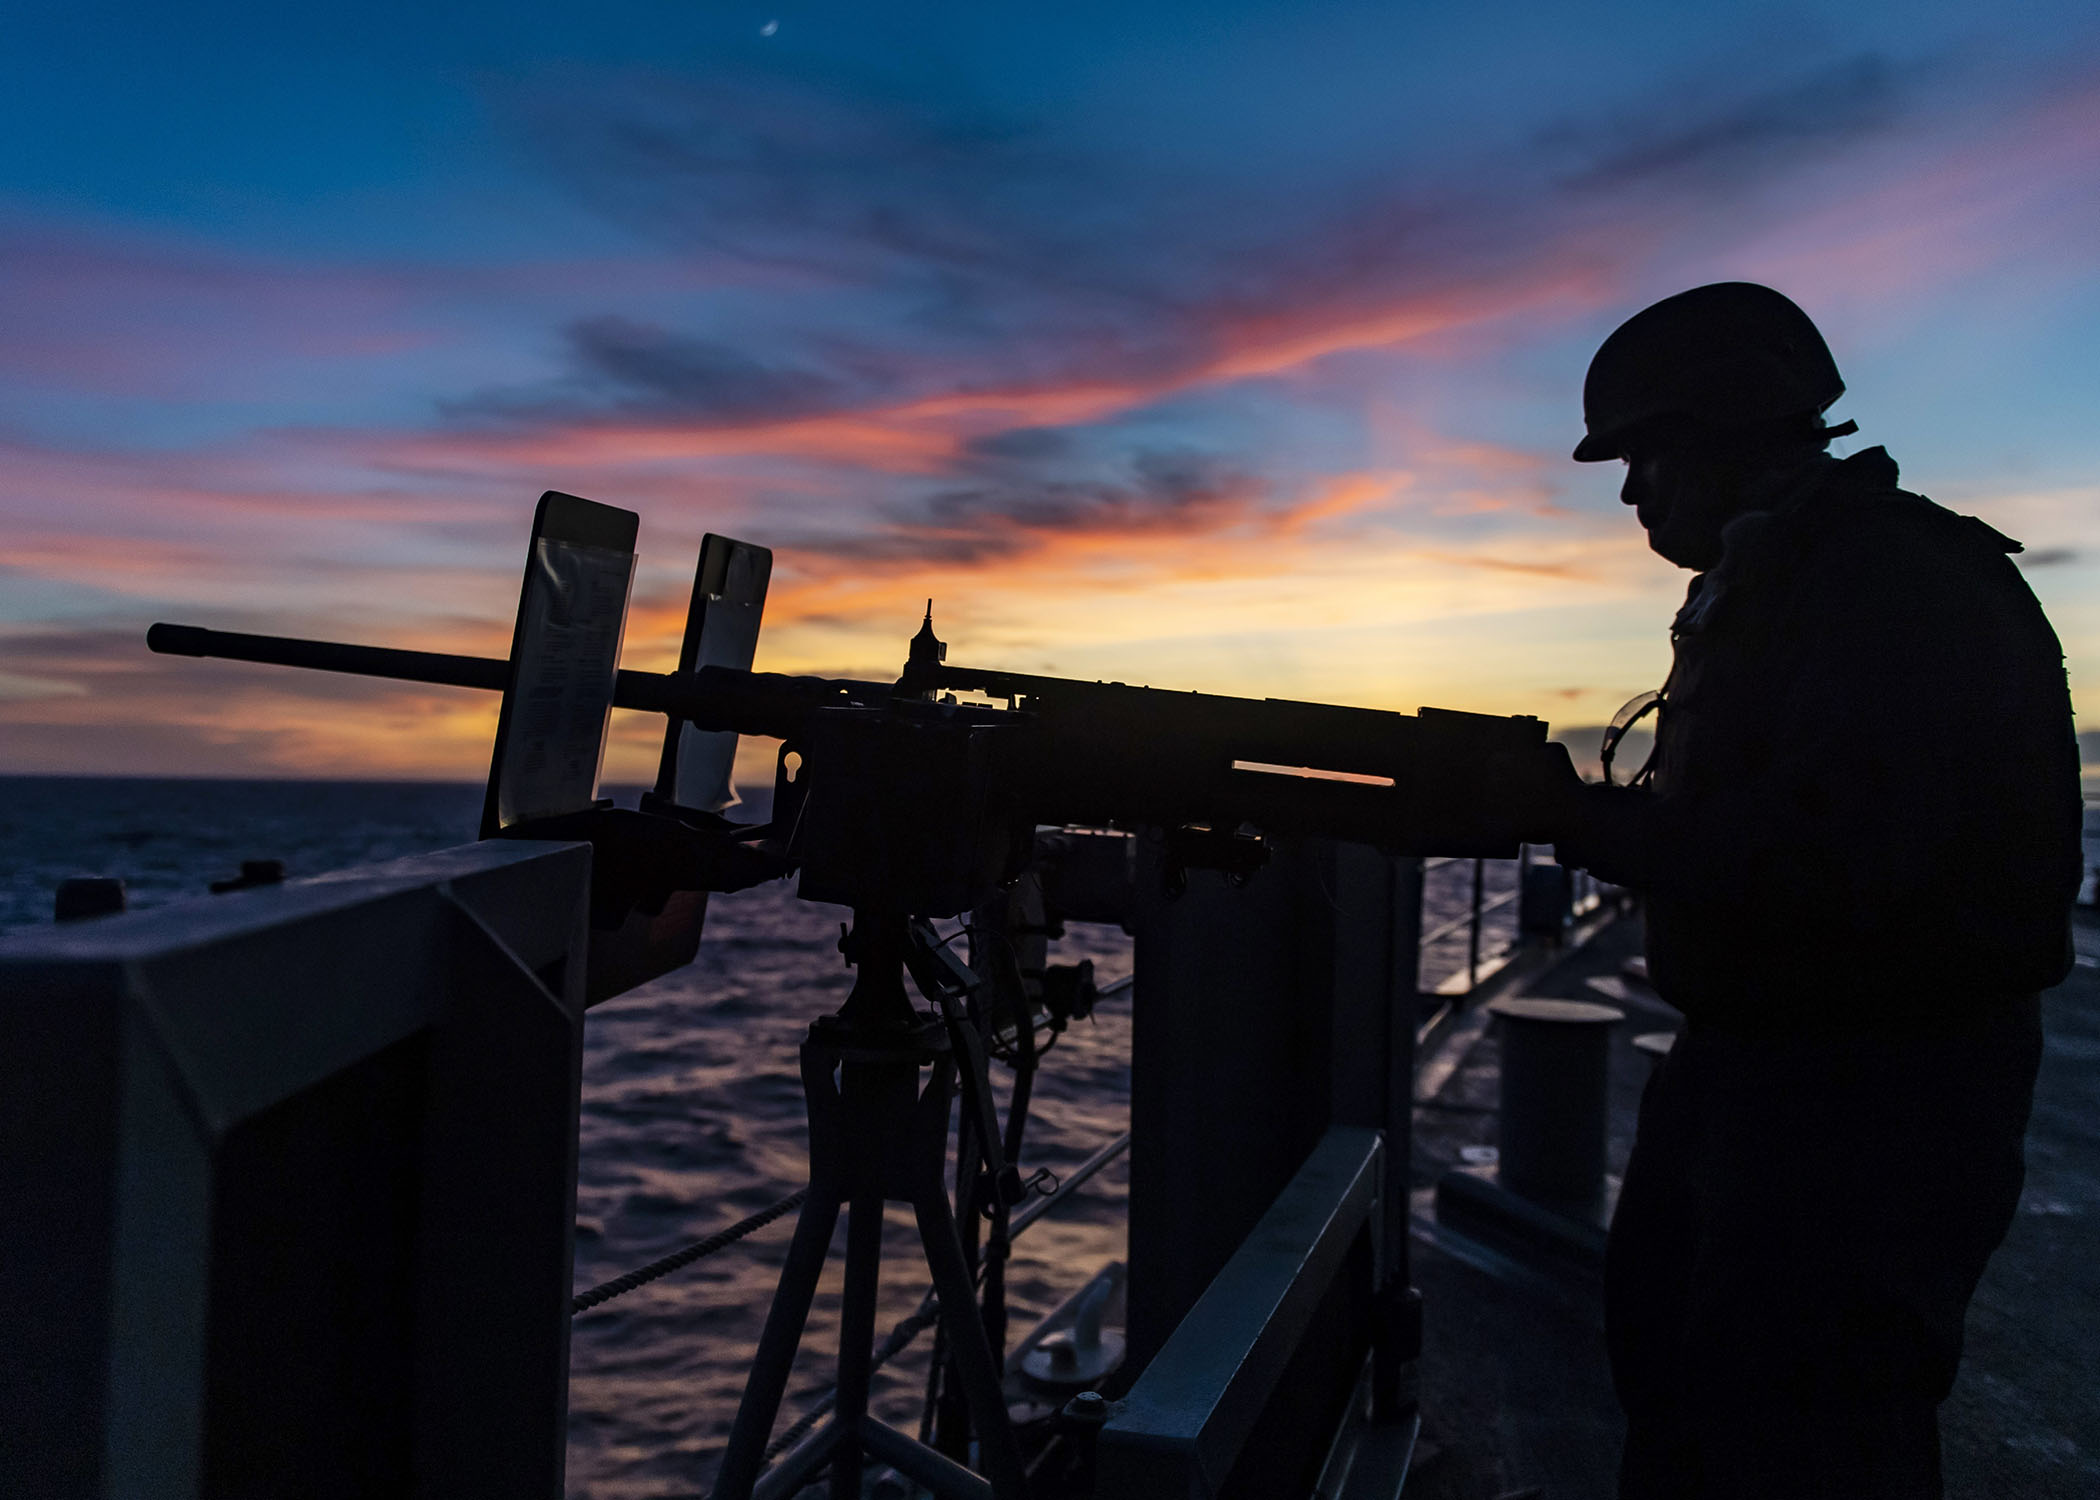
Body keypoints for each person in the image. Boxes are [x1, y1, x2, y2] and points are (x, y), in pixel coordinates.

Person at [1516, 283, 2084, 1498]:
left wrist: (1579, 823)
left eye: (1646, 458)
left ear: (1725, 435)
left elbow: (1836, 860)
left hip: (1874, 1095)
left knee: (1808, 1428)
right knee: (1679, 1375)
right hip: (1769, 1063)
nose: (1630, 494)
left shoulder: (1892, 586)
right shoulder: (1791, 573)